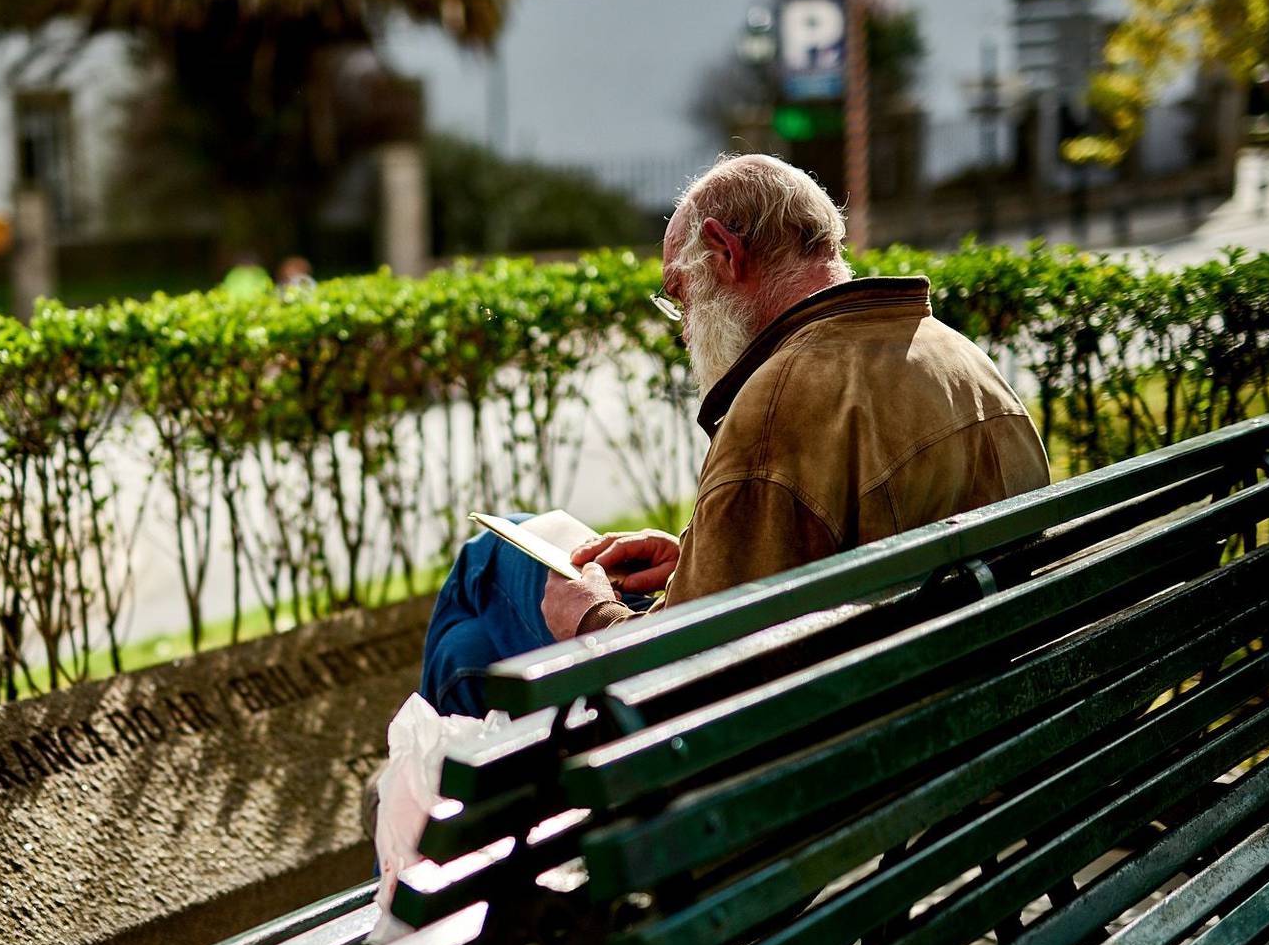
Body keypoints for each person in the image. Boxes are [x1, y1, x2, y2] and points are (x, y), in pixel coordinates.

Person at [420, 153, 1050, 716]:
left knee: (486, 567)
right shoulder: (961, 360)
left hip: (792, 754)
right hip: (948, 717)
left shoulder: (779, 405)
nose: (685, 327)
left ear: (724, 252)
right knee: (464, 650)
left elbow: (692, 683)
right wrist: (696, 553)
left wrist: (589, 619)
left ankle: (415, 807)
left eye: (680, 294)